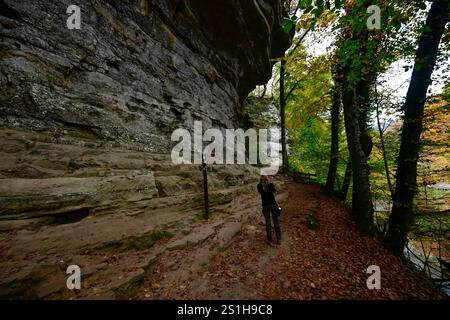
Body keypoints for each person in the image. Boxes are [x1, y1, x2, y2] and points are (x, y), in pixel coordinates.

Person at [257, 175, 281, 244]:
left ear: (260, 180)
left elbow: (260, 192)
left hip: (265, 206)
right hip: (273, 204)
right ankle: (278, 239)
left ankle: (269, 239)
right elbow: (275, 192)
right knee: (276, 222)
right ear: (267, 179)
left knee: (268, 223)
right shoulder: (271, 185)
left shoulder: (259, 186)